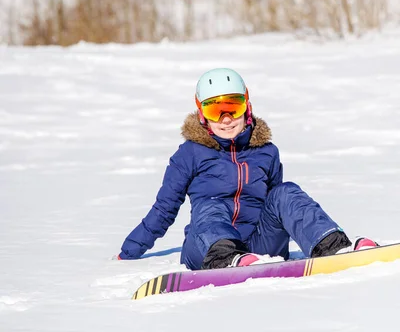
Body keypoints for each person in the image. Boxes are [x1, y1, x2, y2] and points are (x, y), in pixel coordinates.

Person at [117, 68, 377, 269]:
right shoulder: (189, 153)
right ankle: (226, 257)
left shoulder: (266, 151)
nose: (226, 118)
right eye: (215, 109)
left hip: (260, 245)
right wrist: (129, 251)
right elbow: (165, 208)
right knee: (211, 204)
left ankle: (332, 248)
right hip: (205, 246)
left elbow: (282, 208)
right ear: (201, 115)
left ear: (247, 107)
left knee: (285, 192)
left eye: (233, 106)